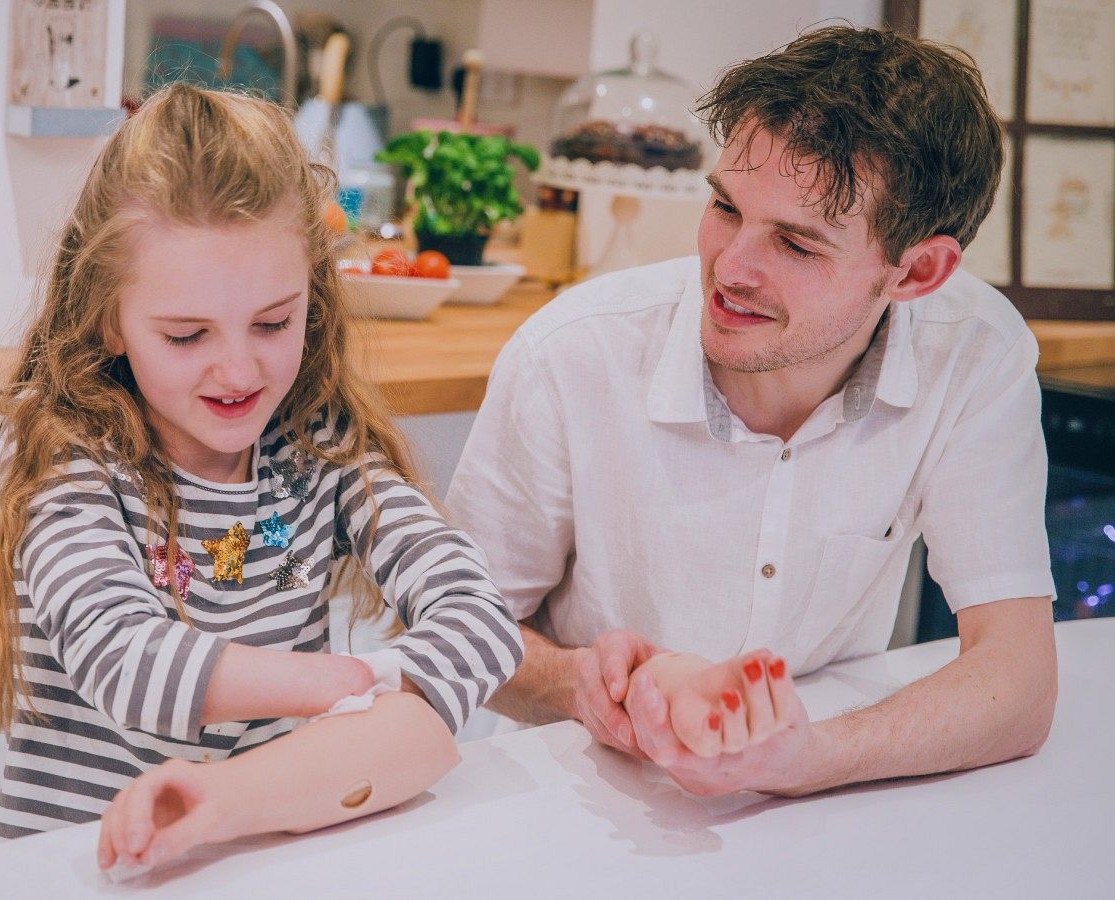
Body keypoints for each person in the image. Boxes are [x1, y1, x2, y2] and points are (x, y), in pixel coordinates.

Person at [448, 25, 1057, 797]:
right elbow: (453, 627)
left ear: (917, 272)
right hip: (578, 789)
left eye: (796, 245)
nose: (730, 269)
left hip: (826, 804)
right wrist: (584, 686)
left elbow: (1019, 680)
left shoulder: (973, 354)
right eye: (725, 207)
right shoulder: (573, 351)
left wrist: (805, 760)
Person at [0, 82, 523, 870]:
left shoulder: (320, 446)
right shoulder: (63, 451)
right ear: (108, 318)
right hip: (86, 869)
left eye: (272, 323)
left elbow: (481, 619)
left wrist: (384, 695)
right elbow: (124, 659)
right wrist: (348, 686)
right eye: (186, 335)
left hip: (259, 862)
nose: (238, 370)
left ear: (313, 301)